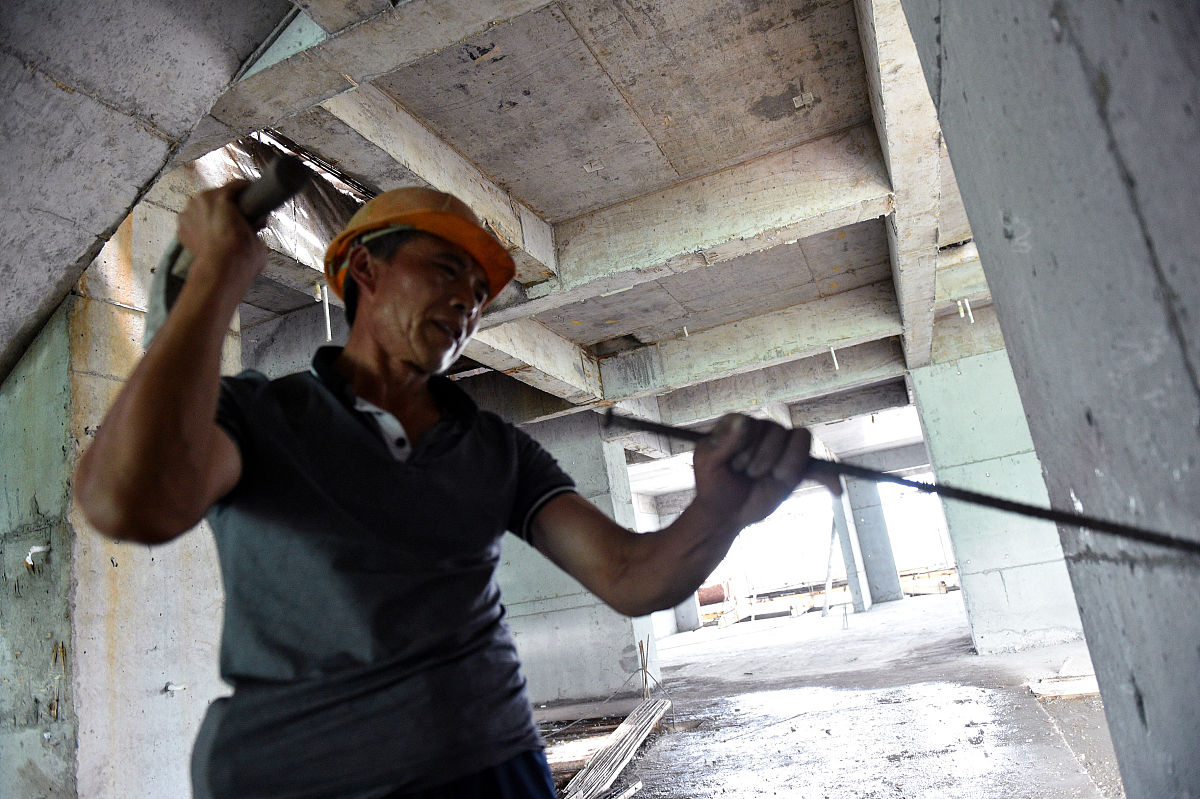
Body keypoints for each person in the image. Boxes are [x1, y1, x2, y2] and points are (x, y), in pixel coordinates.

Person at [73, 182, 823, 798]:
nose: (469, 298)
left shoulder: (498, 449)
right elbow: (130, 503)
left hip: (489, 769)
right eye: (444, 267)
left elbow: (629, 575)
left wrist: (719, 511)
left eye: (479, 289)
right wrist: (214, 278)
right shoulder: (257, 418)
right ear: (364, 270)